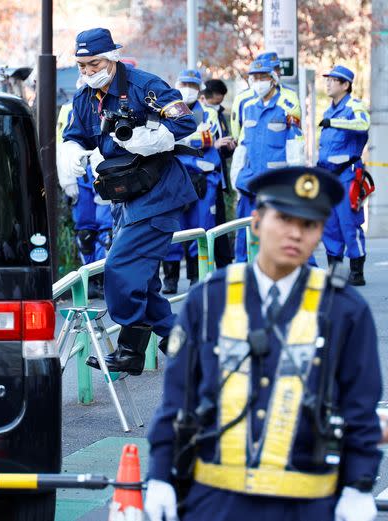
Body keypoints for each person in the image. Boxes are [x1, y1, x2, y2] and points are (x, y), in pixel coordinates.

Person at [145, 166, 382, 521]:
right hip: (215, 501)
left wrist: (358, 485)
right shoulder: (210, 299)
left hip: (308, 504)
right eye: (284, 218)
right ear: (256, 222)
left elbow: (359, 408)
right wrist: (160, 475)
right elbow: (179, 398)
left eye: (310, 225)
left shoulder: (345, 310)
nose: (295, 234)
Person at [58, 27, 197, 375]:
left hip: (158, 192)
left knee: (119, 268)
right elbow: (74, 134)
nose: (88, 71)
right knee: (145, 286)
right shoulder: (84, 97)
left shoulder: (143, 84)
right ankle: (188, 349)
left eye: (95, 64)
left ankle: (130, 350)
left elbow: (185, 120)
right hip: (124, 195)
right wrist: (73, 152)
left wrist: (156, 137)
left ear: (113, 57)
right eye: (82, 65)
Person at [233, 56, 304, 262]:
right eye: (254, 77)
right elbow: (242, 147)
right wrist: (236, 178)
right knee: (244, 237)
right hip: (249, 183)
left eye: (262, 77)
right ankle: (243, 276)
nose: (258, 82)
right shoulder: (248, 107)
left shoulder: (287, 106)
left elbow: (295, 146)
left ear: (273, 79)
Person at [162, 69, 222, 293]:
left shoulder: (208, 112)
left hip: (203, 179)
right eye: (184, 84)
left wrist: (180, 139)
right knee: (172, 229)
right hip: (174, 178)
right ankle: (170, 278)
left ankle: (198, 277)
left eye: (193, 86)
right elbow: (164, 139)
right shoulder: (167, 111)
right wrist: (189, 139)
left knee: (202, 227)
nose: (188, 89)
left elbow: (206, 139)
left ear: (199, 89)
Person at [317, 65, 370, 286]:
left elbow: (363, 123)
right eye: (327, 79)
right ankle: (335, 272)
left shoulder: (354, 107)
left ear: (345, 85)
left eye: (333, 80)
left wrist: (335, 122)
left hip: (348, 175)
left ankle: (356, 271)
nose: (327, 83)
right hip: (328, 177)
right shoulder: (328, 111)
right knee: (330, 225)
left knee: (349, 223)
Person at [57, 102, 113, 298]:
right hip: (80, 173)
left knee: (108, 234)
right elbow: (62, 145)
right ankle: (91, 279)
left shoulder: (113, 98)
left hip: (105, 170)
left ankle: (107, 279)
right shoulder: (69, 108)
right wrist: (66, 180)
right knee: (85, 235)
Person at [201, 79, 236, 268]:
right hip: (202, 176)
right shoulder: (199, 112)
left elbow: (222, 146)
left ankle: (224, 263)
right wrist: (214, 146)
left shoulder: (219, 114)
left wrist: (228, 147)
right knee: (205, 222)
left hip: (218, 176)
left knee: (220, 221)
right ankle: (204, 266)